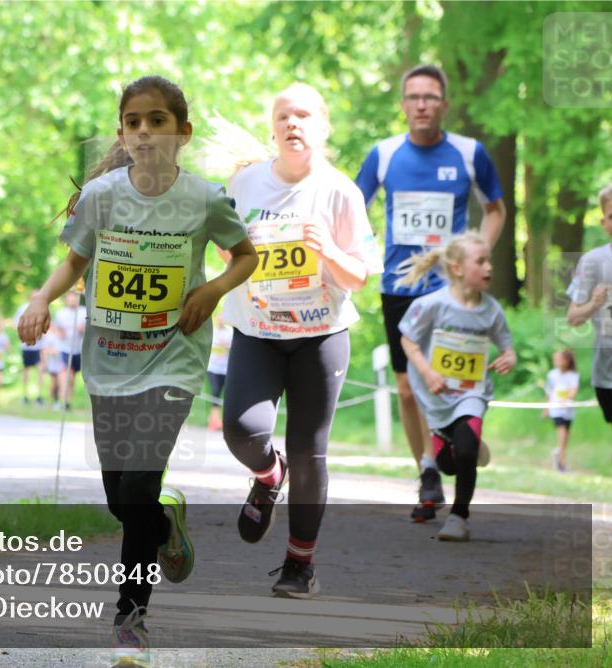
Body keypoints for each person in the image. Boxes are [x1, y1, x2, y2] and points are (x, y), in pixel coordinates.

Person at [17, 75, 256, 668]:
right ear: (122, 132)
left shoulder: (204, 199)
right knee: (122, 502)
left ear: (182, 133)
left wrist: (215, 290)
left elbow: (247, 256)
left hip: (172, 359)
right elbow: (76, 260)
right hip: (109, 363)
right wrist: (40, 299)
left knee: (137, 487)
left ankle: (131, 618)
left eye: (157, 121)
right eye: (133, 122)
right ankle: (163, 526)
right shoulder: (102, 197)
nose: (144, 132)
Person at [221, 82, 382, 599]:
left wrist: (329, 250)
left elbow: (358, 275)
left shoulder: (341, 192)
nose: (294, 123)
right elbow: (223, 246)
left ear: (323, 127)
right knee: (242, 432)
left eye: (305, 116)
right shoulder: (245, 185)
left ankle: (299, 564)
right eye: (285, 116)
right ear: (273, 127)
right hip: (258, 331)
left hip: (320, 336)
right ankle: (269, 476)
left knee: (310, 451)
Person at [355, 64, 507, 522]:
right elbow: (353, 209)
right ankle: (426, 473)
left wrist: (474, 256)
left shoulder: (468, 152)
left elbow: (495, 209)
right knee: (406, 387)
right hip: (400, 288)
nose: (422, 104)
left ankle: (449, 446)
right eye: (413, 97)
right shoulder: (383, 154)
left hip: (450, 291)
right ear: (403, 105)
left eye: (431, 97)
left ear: (444, 105)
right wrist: (361, 257)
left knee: (451, 380)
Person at [397, 232, 514, 541]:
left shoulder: (491, 310)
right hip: (436, 396)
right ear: (458, 268)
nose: (489, 267)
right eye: (481, 261)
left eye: (489, 260)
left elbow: (507, 346)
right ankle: (464, 443)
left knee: (465, 448)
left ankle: (459, 516)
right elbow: (407, 338)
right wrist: (427, 372)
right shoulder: (432, 305)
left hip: (472, 392)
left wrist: (508, 358)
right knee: (449, 464)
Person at [566, 183, 612, 428]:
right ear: (604, 223)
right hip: (607, 375)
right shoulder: (593, 261)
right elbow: (573, 318)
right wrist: (594, 304)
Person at [544, 349, 579, 472]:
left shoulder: (573, 375)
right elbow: (549, 392)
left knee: (565, 438)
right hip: (556, 409)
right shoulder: (552, 375)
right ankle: (561, 463)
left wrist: (568, 398)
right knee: (562, 435)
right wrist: (546, 408)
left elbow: (573, 389)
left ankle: (558, 456)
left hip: (568, 410)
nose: (556, 362)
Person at [52, 291, 86, 410]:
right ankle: (63, 402)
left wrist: (82, 330)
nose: (72, 300)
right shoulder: (61, 313)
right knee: (67, 376)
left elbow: (89, 331)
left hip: (78, 350)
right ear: (66, 299)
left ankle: (67, 401)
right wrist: (60, 333)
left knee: (72, 379)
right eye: (70, 298)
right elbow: (55, 329)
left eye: (74, 298)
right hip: (64, 349)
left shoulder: (83, 312)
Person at [15, 292, 46, 406]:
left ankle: (39, 395)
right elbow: (17, 324)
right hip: (26, 346)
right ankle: (25, 395)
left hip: (39, 346)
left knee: (40, 370)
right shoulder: (22, 308)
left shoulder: (43, 309)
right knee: (26, 371)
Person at [206, 313, 232, 432]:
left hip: (225, 369)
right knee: (215, 392)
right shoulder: (212, 332)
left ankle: (222, 421)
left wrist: (227, 346)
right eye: (219, 318)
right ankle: (213, 421)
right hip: (212, 368)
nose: (220, 320)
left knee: (227, 395)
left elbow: (234, 350)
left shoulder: (230, 333)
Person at [40, 325, 66, 410]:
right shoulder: (48, 337)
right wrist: (53, 352)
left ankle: (62, 403)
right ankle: (53, 400)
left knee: (61, 382)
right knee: (54, 385)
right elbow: (44, 350)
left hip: (62, 363)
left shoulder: (62, 336)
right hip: (53, 364)